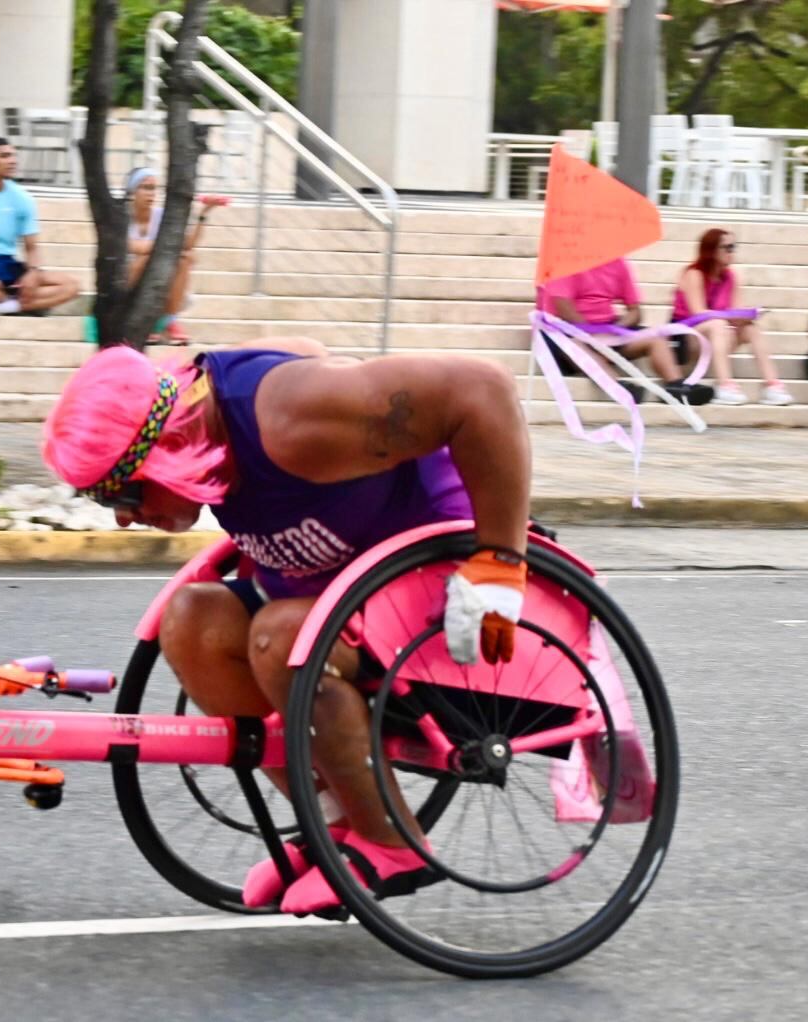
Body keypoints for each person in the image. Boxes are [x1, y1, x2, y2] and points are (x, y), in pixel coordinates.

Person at [42, 340, 531, 914]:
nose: (124, 515)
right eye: (102, 500)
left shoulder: (292, 419)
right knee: (191, 621)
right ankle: (337, 825)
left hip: (434, 588)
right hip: (337, 593)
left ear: (166, 447)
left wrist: (500, 560)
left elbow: (484, 388)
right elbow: (308, 351)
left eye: (120, 492)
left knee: (280, 640)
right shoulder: (217, 424)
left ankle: (393, 843)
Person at [542, 257, 714, 406]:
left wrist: (618, 329)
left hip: (608, 330)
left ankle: (676, 386)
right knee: (574, 344)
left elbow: (635, 312)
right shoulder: (565, 264)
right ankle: (617, 386)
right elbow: (563, 307)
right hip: (569, 331)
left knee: (656, 338)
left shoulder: (618, 263)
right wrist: (591, 334)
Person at [0, 137, 80, 316]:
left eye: (14, 156)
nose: (13, 161)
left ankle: (5, 305)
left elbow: (31, 246)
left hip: (8, 264)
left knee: (71, 286)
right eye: (5, 156)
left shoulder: (22, 198)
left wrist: (32, 272)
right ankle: (14, 302)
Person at [673, 229, 793, 406]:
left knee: (751, 329)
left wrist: (746, 316)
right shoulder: (694, 274)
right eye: (727, 248)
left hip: (717, 335)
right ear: (712, 250)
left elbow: (735, 310)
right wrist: (727, 317)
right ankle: (724, 386)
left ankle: (771, 385)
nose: (732, 252)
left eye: (733, 247)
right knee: (717, 325)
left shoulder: (731, 277)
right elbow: (698, 314)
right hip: (688, 337)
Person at [125, 168, 224, 345]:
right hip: (128, 281)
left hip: (159, 276)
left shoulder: (161, 215)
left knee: (185, 258)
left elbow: (187, 244)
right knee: (147, 259)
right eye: (146, 187)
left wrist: (203, 214)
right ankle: (152, 321)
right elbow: (136, 248)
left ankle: (167, 321)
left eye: (154, 188)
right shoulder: (121, 216)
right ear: (132, 192)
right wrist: (171, 247)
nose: (151, 193)